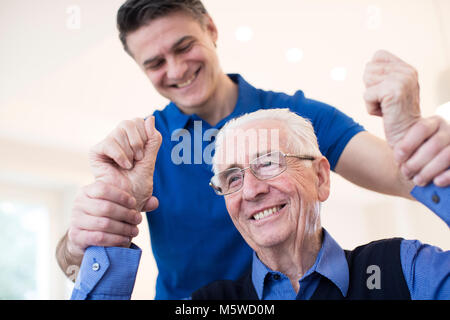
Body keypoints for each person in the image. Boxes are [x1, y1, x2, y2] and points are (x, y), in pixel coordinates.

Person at [56, 0, 450, 299]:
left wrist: (414, 139)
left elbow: (404, 176)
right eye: (155, 62)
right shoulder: (145, 150)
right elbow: (75, 265)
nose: (175, 71)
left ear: (211, 29)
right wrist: (84, 240)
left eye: (183, 46)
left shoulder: (295, 118)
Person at [71, 109, 449, 300]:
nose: (250, 190)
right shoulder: (212, 302)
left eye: (268, 162)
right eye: (232, 177)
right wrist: (116, 218)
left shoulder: (403, 270)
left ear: (320, 177)